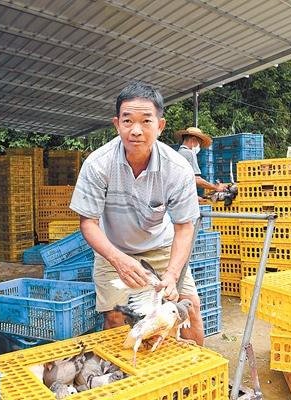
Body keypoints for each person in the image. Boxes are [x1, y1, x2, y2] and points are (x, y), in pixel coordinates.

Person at [69, 82, 204, 345]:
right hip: (113, 249)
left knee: (189, 310)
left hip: (161, 247)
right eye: (128, 121)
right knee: (116, 318)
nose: (136, 130)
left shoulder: (177, 168)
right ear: (116, 124)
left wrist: (173, 275)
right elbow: (88, 223)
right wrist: (118, 260)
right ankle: (122, 380)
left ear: (160, 126)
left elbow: (184, 227)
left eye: (146, 121)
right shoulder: (98, 164)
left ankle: (199, 380)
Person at [174, 127, 226, 193]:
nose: (199, 146)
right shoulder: (189, 153)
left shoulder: (179, 153)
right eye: (199, 143)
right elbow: (196, 179)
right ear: (193, 140)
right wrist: (216, 187)